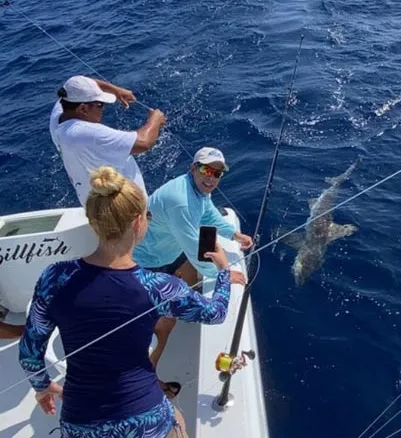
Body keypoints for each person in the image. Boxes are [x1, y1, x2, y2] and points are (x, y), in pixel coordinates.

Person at [19, 166, 235, 438]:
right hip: (146, 422)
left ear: (94, 221)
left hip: (79, 424)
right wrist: (224, 272)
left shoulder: (54, 276)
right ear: (137, 222)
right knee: (176, 417)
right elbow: (216, 313)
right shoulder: (159, 287)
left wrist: (41, 387)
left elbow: (29, 354)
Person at [134, 146, 253, 286]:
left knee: (207, 236)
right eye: (206, 170)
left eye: (217, 173)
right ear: (193, 168)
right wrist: (224, 275)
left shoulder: (199, 186)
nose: (211, 177)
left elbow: (209, 214)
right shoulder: (181, 202)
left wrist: (234, 234)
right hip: (152, 260)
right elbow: (192, 246)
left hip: (171, 247)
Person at [50, 75, 166, 205]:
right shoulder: (86, 134)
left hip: (92, 202)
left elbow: (83, 83)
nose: (103, 108)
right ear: (82, 108)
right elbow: (143, 143)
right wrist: (155, 120)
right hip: (121, 206)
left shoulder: (60, 112)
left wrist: (116, 90)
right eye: (99, 104)